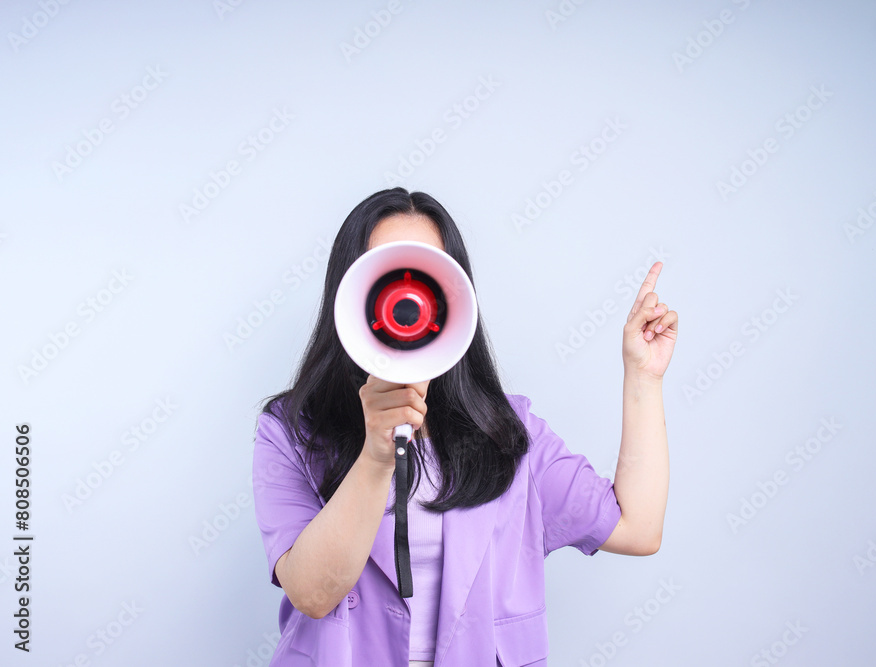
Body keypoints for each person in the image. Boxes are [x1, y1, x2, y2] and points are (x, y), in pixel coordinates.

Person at [251, 187, 677, 666]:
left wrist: (644, 377)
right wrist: (376, 453)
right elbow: (311, 593)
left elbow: (638, 528)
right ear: (351, 295)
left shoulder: (510, 432)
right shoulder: (290, 432)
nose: (406, 299)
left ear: (452, 297)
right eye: (386, 276)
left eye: (425, 277)